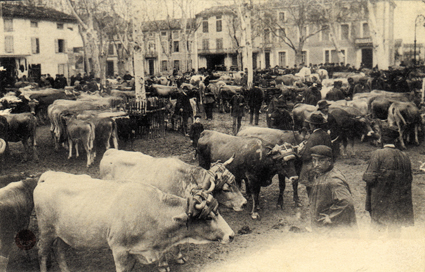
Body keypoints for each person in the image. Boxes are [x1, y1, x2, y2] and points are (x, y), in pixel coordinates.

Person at [362, 127, 414, 236]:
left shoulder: (378, 154)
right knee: (395, 232)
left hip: (381, 200)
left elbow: (370, 177)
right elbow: (409, 179)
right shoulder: (405, 156)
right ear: (396, 140)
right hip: (398, 201)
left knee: (376, 231)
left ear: (382, 139)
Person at [309, 145, 357, 232]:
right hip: (322, 227)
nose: (316, 165)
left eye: (321, 160)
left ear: (329, 161)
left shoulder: (334, 180)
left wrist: (330, 217)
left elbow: (346, 202)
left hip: (332, 230)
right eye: (314, 160)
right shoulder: (322, 174)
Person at [299, 113, 333, 197]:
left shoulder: (313, 137)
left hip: (314, 168)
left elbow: (306, 156)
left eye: (310, 124)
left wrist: (301, 151)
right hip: (326, 166)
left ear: (312, 125)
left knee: (311, 190)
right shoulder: (326, 135)